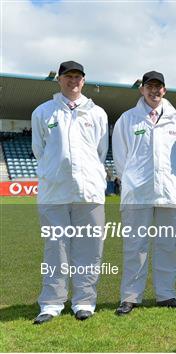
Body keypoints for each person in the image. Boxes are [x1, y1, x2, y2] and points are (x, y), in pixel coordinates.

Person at [31, 60, 108, 324]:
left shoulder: (97, 113)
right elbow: (39, 150)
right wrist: (56, 171)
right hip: (54, 191)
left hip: (90, 192)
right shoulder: (43, 112)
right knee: (56, 247)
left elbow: (100, 152)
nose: (73, 81)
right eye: (68, 76)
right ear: (59, 80)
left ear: (83, 81)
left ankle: (84, 301)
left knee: (89, 248)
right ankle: (51, 303)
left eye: (78, 77)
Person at [112, 71, 176, 315]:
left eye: (158, 87)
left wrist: (171, 178)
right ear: (142, 89)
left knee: (167, 245)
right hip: (137, 194)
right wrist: (135, 181)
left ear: (164, 90)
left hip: (169, 193)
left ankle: (166, 295)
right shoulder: (128, 119)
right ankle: (131, 297)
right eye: (149, 86)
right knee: (135, 246)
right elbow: (120, 157)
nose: (154, 91)